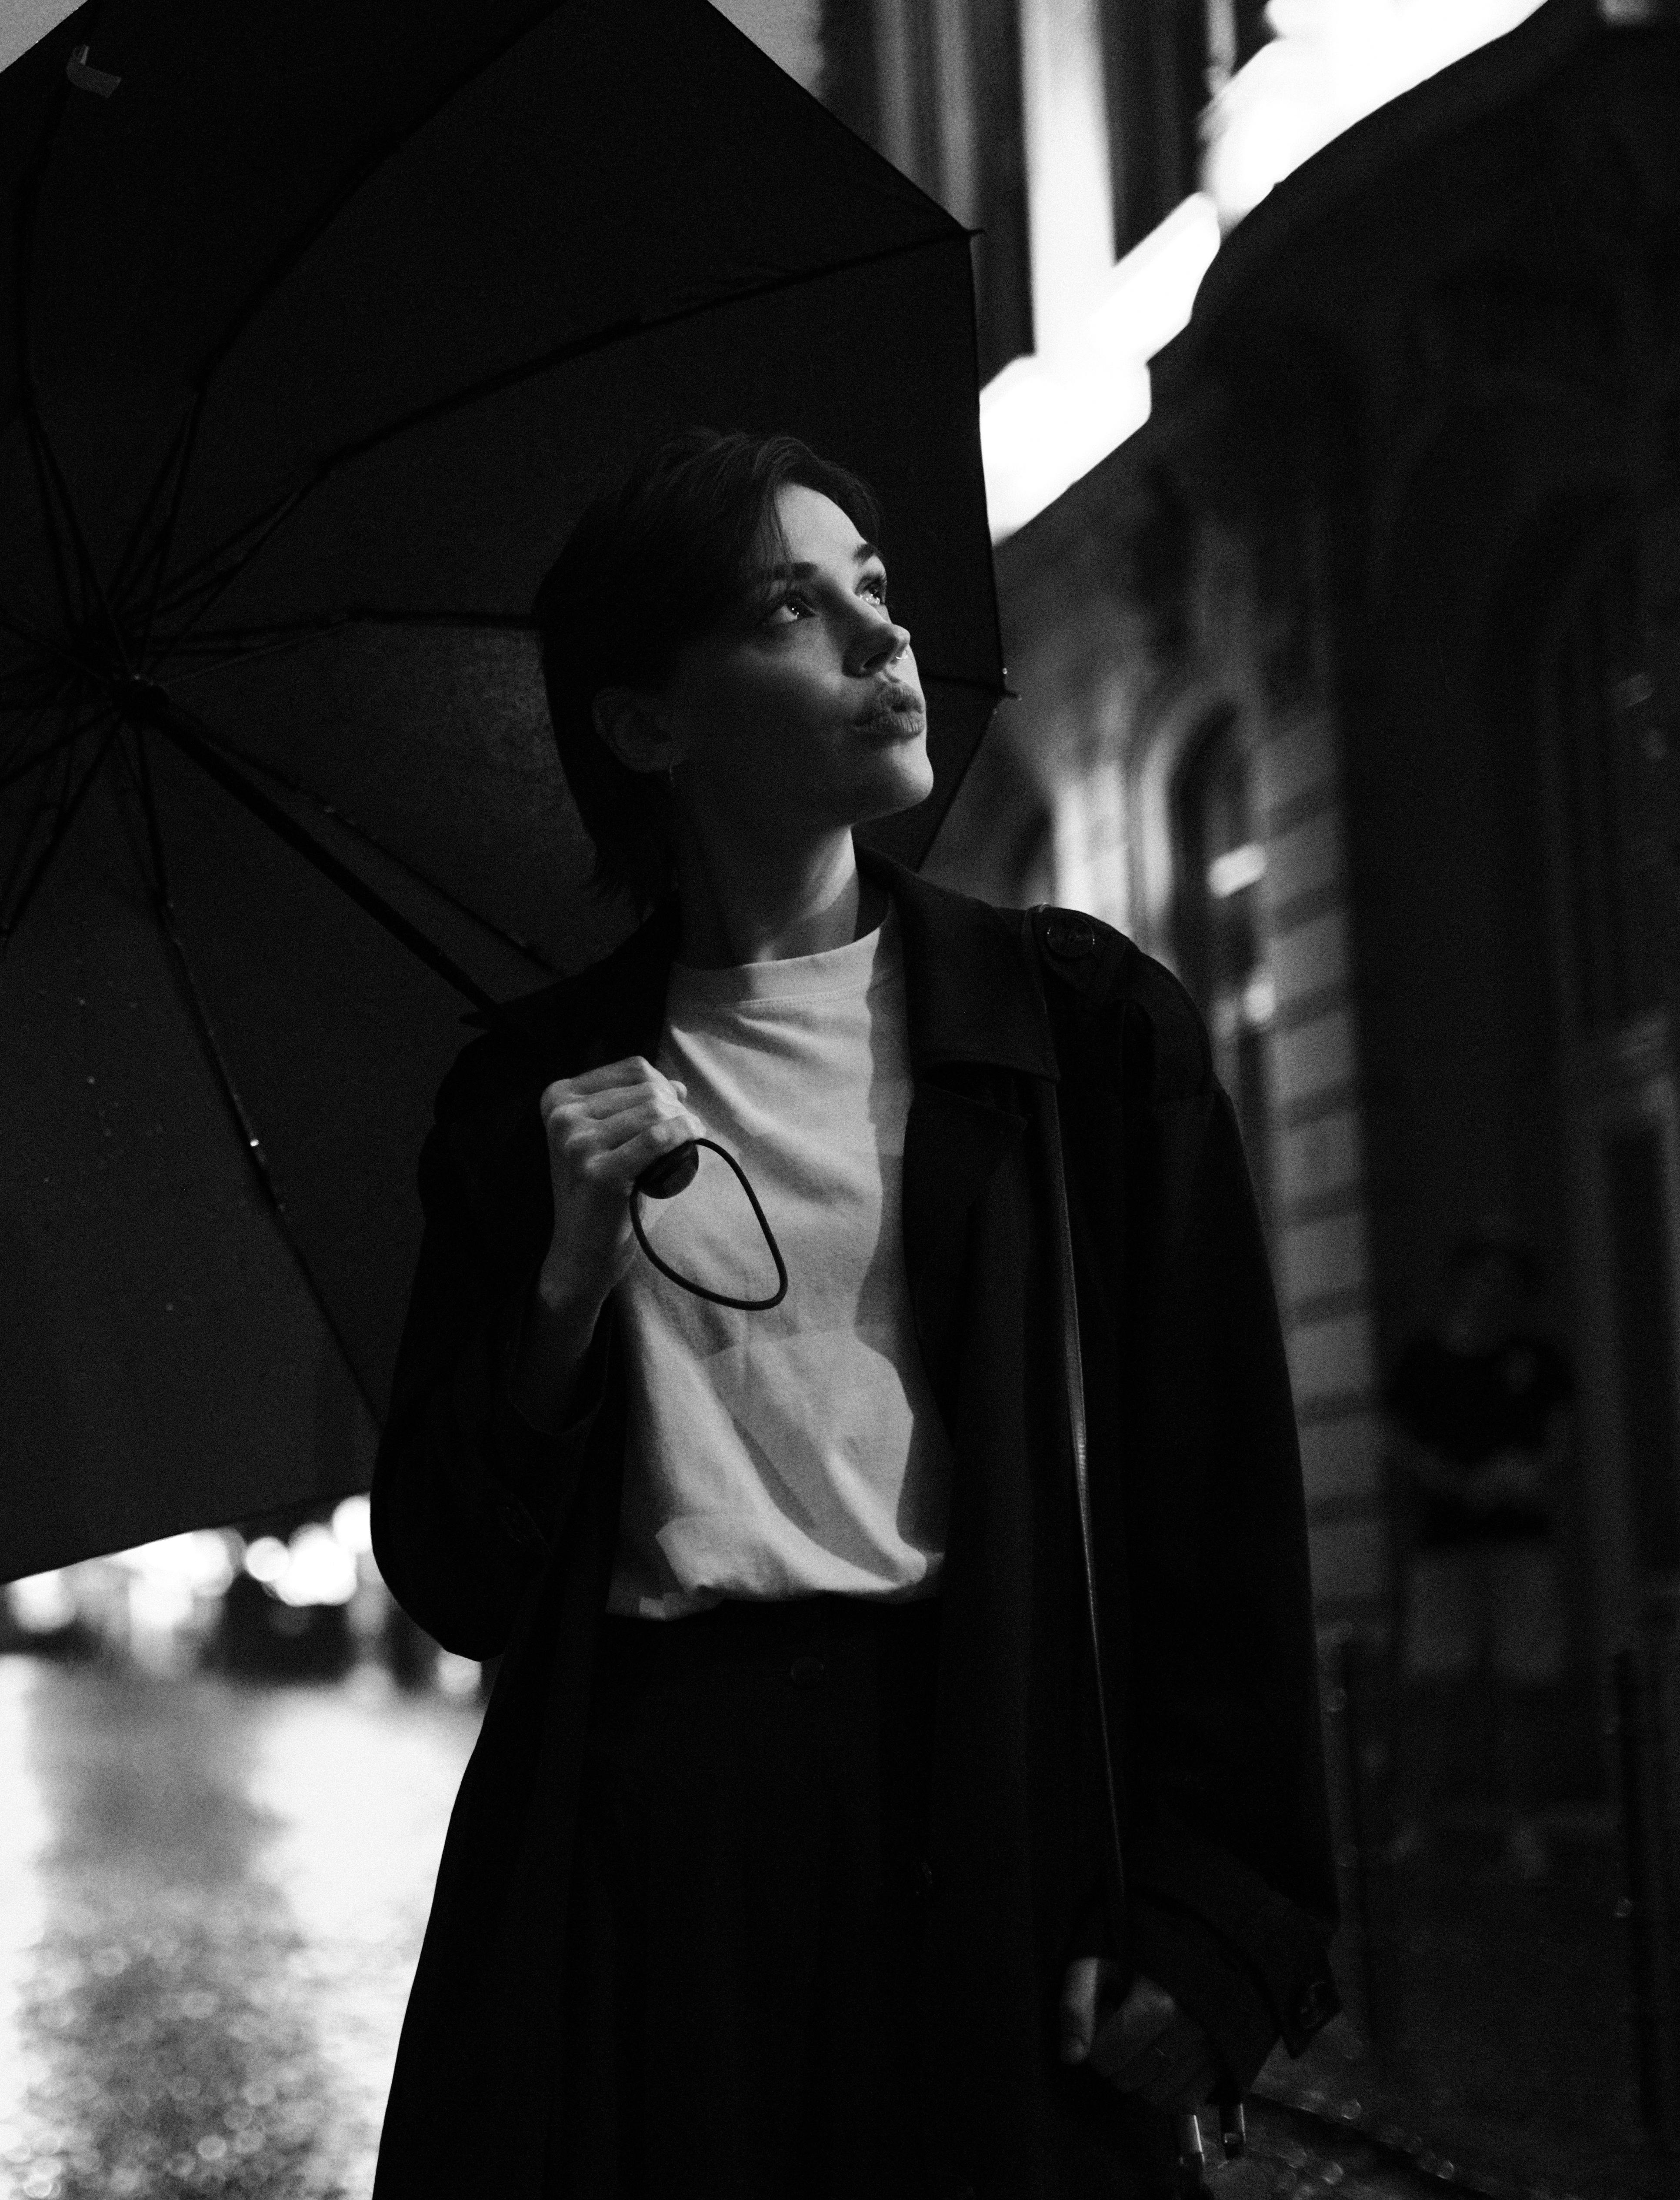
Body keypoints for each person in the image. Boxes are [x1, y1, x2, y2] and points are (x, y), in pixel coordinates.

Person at [369, 427, 1340, 2199]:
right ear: (647, 723)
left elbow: (1217, 1506)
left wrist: (1218, 1932)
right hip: (650, 1864)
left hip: (996, 1793)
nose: (877, 644)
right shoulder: (534, 1098)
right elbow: (452, 1565)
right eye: (790, 610)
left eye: (873, 594)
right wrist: (563, 1283)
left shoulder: (1080, 1030)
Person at [1382, 1222, 1574, 1882]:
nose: (1495, 1292)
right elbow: (1397, 1438)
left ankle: (1526, 1824)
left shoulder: (1539, 1358)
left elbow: (1560, 1441)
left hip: (1518, 1540)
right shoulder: (1425, 1357)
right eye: (1484, 1277)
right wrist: (1439, 1475)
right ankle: (1419, 1822)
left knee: (1525, 1684)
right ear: (1462, 1282)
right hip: (1446, 1542)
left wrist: (1521, 1473)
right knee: (1433, 1684)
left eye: (1507, 1281)